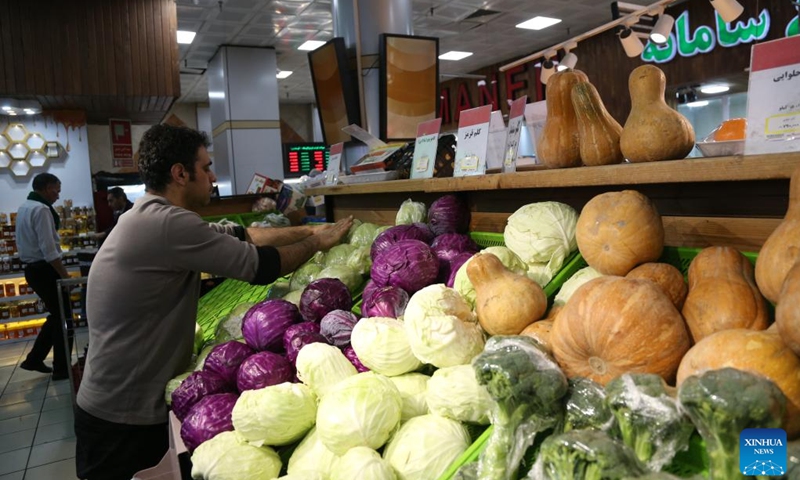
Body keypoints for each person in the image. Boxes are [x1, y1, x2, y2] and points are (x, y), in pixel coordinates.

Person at [74, 124, 352, 480]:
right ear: (180, 173)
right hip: (122, 416)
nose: (212, 175)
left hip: (116, 404)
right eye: (205, 167)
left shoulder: (152, 217)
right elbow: (261, 266)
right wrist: (317, 245)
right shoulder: (164, 224)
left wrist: (310, 229)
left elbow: (245, 235)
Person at [16, 173, 72, 381]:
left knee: (57, 317)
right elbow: (49, 251)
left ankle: (34, 359)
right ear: (47, 187)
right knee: (64, 319)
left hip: (33, 270)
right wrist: (65, 277)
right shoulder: (41, 210)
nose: (58, 195)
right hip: (45, 270)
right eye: (56, 190)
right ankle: (61, 369)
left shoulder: (25, 207)